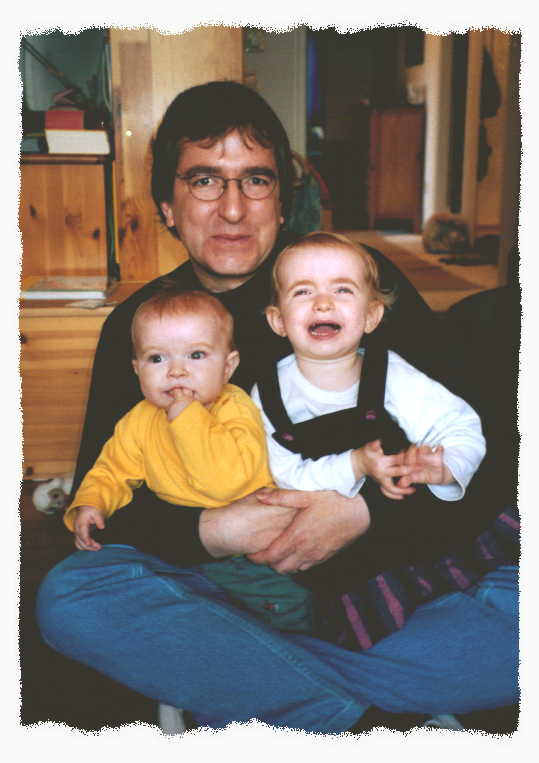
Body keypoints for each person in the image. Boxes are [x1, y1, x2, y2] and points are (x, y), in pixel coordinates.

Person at [36, 80, 518, 733]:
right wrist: (216, 529)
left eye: (256, 181)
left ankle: (262, 685)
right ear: (167, 205)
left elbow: (486, 452)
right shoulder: (145, 324)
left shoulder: (347, 278)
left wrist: (361, 514)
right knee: (73, 596)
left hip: (392, 584)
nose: (233, 209)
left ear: (283, 200)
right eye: (205, 180)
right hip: (222, 585)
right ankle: (365, 712)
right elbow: (107, 510)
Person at [67, 287, 313, 632]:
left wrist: (187, 418)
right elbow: (112, 468)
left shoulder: (236, 407)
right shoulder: (139, 419)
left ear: (228, 366)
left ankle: (297, 650)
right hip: (180, 550)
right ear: (137, 369)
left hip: (251, 553)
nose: (176, 371)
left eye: (196, 355)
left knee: (285, 609)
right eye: (157, 359)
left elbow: (225, 484)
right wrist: (93, 502)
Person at [251, 231, 486, 505]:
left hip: (394, 519)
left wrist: (446, 466)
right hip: (301, 517)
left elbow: (460, 426)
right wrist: (355, 465)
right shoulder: (268, 394)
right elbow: (283, 475)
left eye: (343, 290)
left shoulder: (390, 375)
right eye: (303, 291)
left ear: (371, 316)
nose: (323, 303)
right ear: (278, 321)